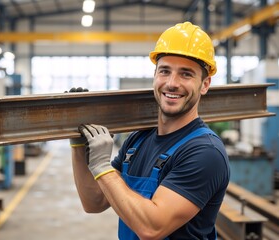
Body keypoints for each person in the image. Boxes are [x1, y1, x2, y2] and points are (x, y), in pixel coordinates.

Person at [69, 21, 230, 240]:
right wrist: (79, 144)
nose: (172, 83)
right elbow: (94, 202)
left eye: (186, 74)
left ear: (205, 84)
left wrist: (102, 166)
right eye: (165, 71)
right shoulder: (138, 141)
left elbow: (152, 227)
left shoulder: (205, 153)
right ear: (155, 76)